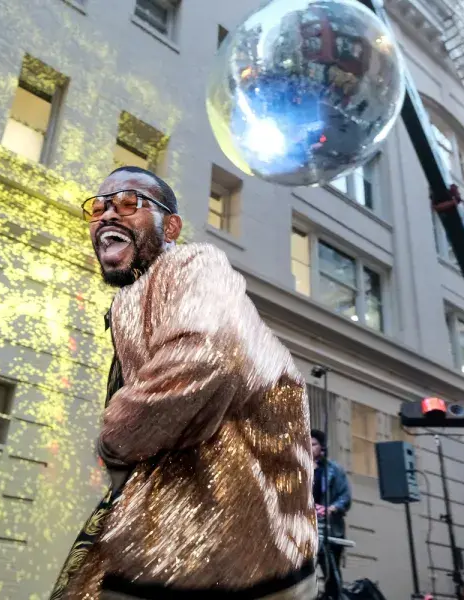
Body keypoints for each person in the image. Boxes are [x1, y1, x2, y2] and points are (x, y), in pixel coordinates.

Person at [51, 166, 318, 599]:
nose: (106, 216)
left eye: (128, 203)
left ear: (170, 226)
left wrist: (114, 438)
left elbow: (207, 354)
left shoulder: (192, 263)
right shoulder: (130, 299)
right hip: (162, 548)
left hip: (230, 557)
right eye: (99, 207)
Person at [311, 429, 352, 600]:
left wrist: (329, 509)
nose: (309, 447)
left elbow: (345, 497)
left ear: (322, 447)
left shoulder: (334, 470)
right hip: (305, 525)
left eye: (313, 444)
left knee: (331, 573)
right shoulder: (298, 469)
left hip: (328, 527)